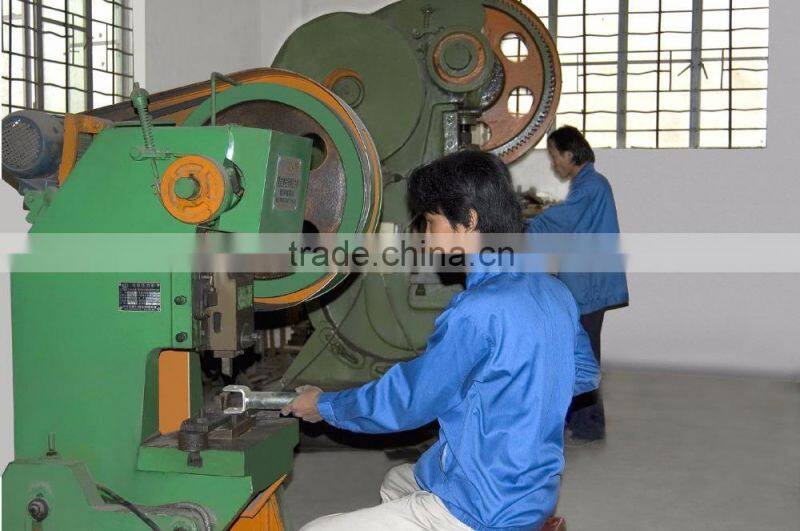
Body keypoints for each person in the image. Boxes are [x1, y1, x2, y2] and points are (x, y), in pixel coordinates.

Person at [283, 150, 600, 531]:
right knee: (398, 480)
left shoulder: (478, 310)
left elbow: (410, 401)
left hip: (482, 507)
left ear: (468, 220)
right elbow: (585, 373)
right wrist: (509, 405)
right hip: (533, 492)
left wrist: (325, 405)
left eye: (431, 221)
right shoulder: (554, 292)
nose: (425, 236)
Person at [526, 125, 629, 442]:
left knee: (584, 355)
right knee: (580, 351)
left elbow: (563, 220)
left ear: (570, 155)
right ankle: (580, 420)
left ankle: (589, 425)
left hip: (590, 283)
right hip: (588, 280)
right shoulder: (587, 184)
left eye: (555, 155)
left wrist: (525, 223)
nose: (553, 163)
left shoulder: (591, 186)